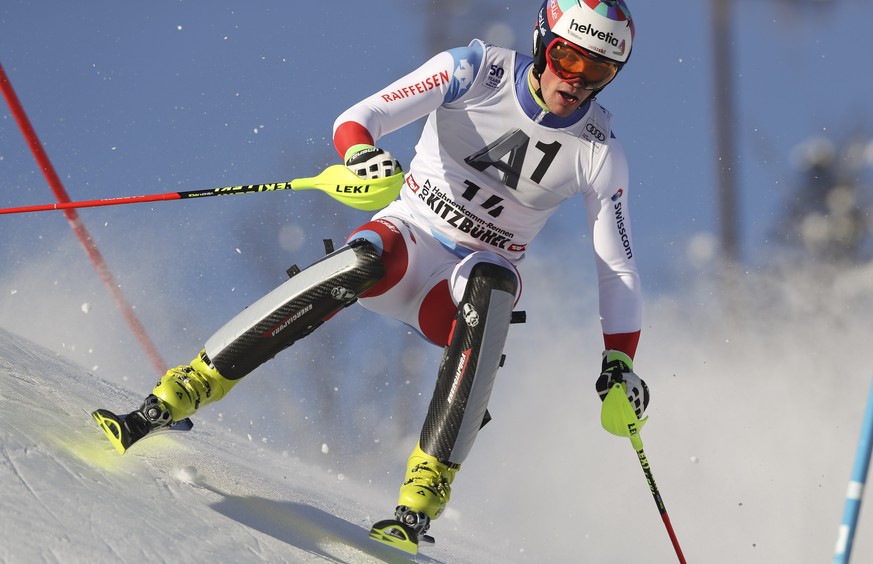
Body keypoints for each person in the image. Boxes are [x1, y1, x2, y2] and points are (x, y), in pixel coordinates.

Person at [101, 0, 649, 551]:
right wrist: (362, 155)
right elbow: (360, 118)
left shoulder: (601, 152)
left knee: (493, 280)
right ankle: (189, 386)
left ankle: (422, 496)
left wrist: (620, 362)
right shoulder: (474, 71)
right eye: (566, 58)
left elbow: (617, 267)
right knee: (367, 258)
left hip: (456, 293)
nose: (576, 82)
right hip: (407, 243)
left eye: (598, 70)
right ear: (541, 40)